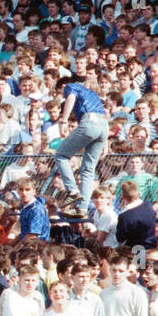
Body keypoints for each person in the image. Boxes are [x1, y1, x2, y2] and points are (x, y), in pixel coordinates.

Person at [53, 77, 108, 218]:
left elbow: (71, 97)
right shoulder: (93, 95)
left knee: (60, 155)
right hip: (103, 126)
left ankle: (72, 191)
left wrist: (64, 119)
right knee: (88, 169)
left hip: (90, 122)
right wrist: (105, 144)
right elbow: (104, 116)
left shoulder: (72, 86)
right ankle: (82, 208)